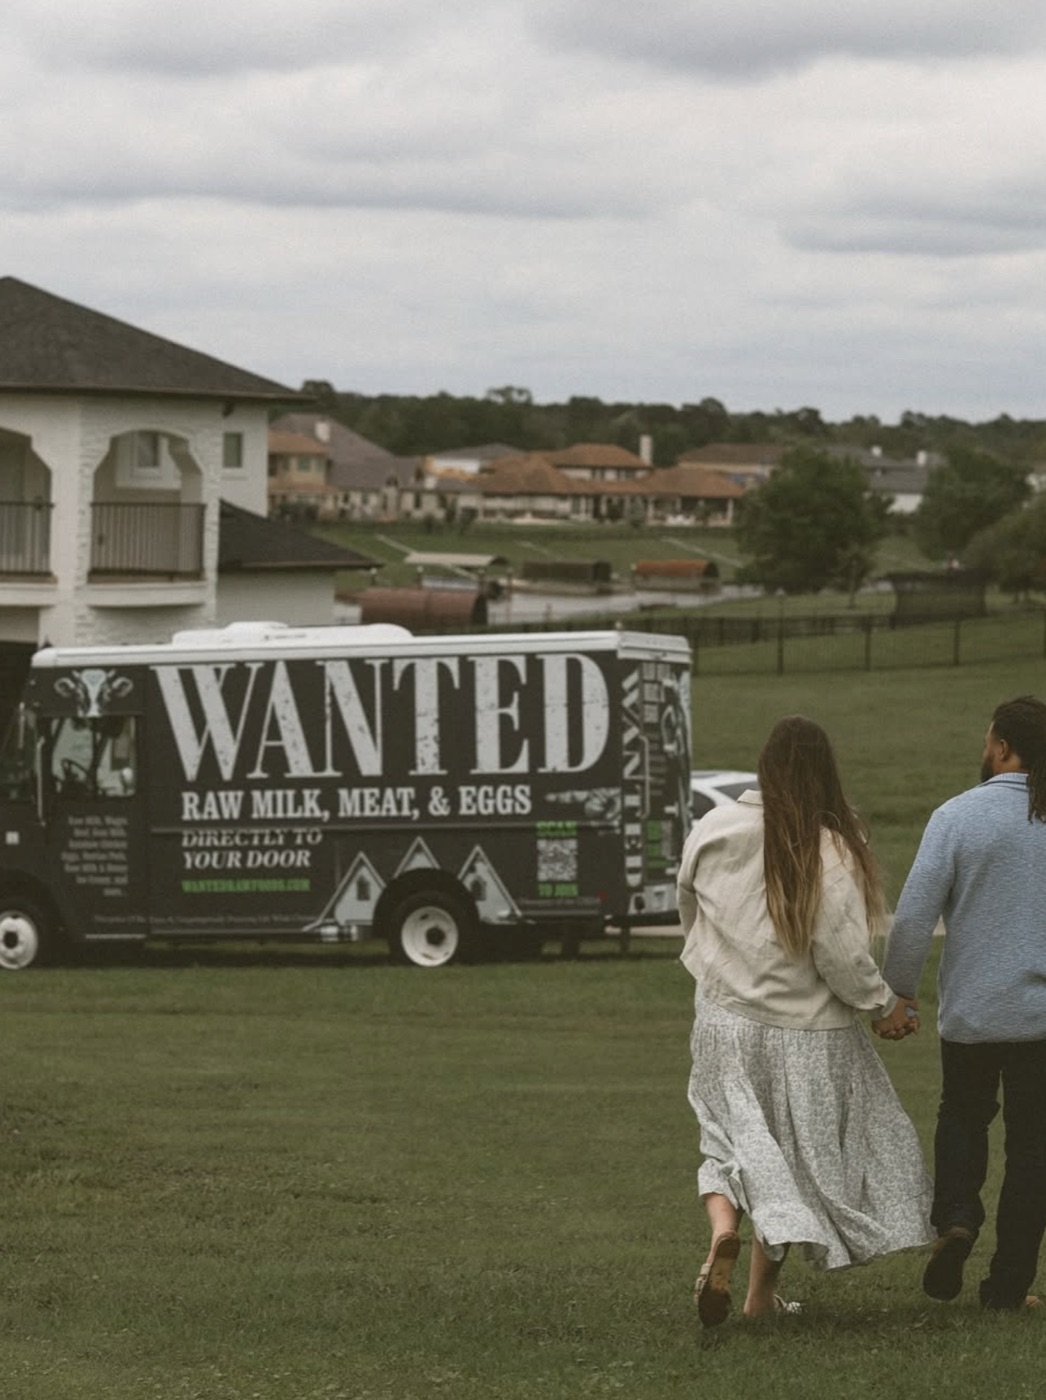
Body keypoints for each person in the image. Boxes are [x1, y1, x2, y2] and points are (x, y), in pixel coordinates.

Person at [679, 715, 932, 1327]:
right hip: (805, 1036)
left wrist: (718, 974)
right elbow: (841, 954)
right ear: (825, 773)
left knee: (727, 1139)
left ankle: (722, 1235)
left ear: (764, 766)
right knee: (789, 1161)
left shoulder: (713, 827)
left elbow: (690, 909)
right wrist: (885, 1004)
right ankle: (760, 1298)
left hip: (724, 1023)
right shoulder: (832, 849)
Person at [881, 694, 1046, 1313]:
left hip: (974, 1013)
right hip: (1042, 1021)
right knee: (1034, 1150)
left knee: (963, 1118)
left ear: (1002, 746)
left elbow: (916, 916)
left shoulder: (956, 815)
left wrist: (899, 992)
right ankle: (1006, 1286)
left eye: (988, 741)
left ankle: (956, 1219)